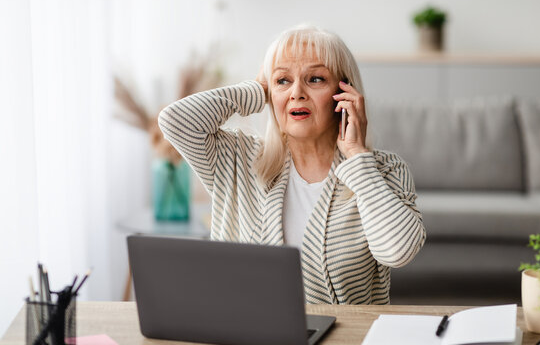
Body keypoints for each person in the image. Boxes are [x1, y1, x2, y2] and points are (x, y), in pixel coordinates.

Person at [158, 24, 425, 305]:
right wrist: (259, 89)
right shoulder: (237, 158)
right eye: (283, 81)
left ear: (344, 93)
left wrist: (357, 156)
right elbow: (174, 122)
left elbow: (398, 251)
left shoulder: (383, 170)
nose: (296, 92)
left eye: (316, 79)